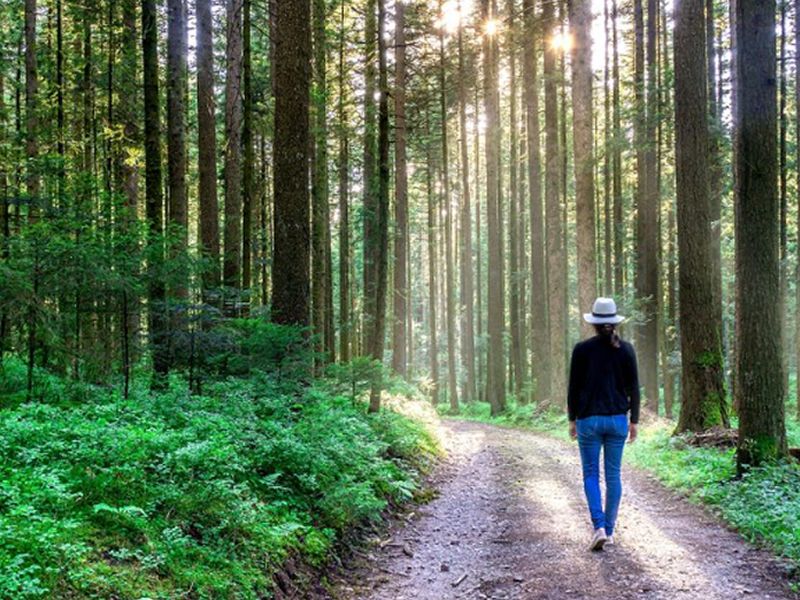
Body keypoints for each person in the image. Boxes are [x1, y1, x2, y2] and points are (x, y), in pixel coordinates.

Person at [568, 297, 640, 551]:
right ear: (614, 322)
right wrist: (634, 421)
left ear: (595, 323)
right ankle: (609, 531)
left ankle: (598, 526)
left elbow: (573, 388)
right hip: (618, 420)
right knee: (613, 476)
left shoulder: (581, 349)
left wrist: (572, 419)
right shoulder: (627, 350)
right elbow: (634, 389)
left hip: (588, 420)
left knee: (590, 474)